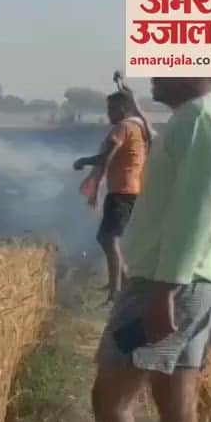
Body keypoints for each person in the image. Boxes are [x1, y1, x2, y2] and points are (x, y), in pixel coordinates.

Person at [57, 71, 211, 422]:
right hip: (195, 280)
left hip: (169, 283)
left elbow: (194, 214)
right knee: (175, 398)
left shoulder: (200, 122)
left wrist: (164, 291)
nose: (156, 72)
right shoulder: (204, 118)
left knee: (110, 397)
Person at [74, 89, 152, 302]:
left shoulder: (123, 127)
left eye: (112, 109)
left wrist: (85, 165)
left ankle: (116, 292)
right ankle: (123, 283)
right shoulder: (139, 126)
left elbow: (106, 157)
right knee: (107, 238)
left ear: (123, 109)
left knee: (108, 238)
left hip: (122, 190)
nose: (108, 113)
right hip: (129, 189)